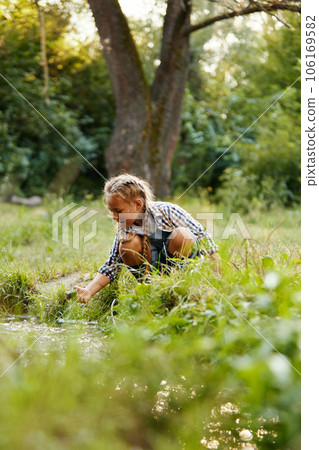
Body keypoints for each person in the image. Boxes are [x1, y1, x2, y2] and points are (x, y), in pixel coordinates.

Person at [75, 174, 219, 303]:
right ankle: (149, 289)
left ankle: (182, 285)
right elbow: (111, 265)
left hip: (181, 266)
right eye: (111, 210)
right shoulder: (124, 229)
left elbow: (202, 236)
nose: (113, 216)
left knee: (182, 235)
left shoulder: (167, 211)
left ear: (138, 204)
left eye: (118, 211)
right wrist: (89, 291)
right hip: (153, 270)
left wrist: (219, 272)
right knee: (127, 245)